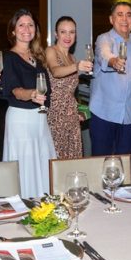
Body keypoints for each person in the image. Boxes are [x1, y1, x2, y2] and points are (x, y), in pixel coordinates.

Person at [0, 9, 56, 197]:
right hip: (21, 119)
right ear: (13, 31)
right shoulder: (9, 57)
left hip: (39, 119)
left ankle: (44, 205)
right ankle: (24, 204)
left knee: (42, 164)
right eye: (21, 25)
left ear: (35, 30)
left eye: (30, 25)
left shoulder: (38, 57)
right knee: (25, 166)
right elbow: (15, 90)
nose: (26, 29)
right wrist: (31, 94)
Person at [89, 1, 131, 156]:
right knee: (101, 161)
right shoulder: (104, 39)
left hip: (129, 115)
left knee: (125, 162)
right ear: (111, 19)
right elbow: (104, 54)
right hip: (103, 112)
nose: (124, 19)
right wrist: (114, 61)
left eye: (129, 15)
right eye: (119, 15)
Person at [46, 16, 93, 159]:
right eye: (63, 32)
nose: (68, 36)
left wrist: (80, 111)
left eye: (72, 32)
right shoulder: (51, 51)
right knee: (57, 160)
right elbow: (55, 71)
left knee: (73, 158)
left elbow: (70, 91)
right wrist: (77, 66)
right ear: (56, 34)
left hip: (71, 115)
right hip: (55, 114)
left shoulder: (72, 58)